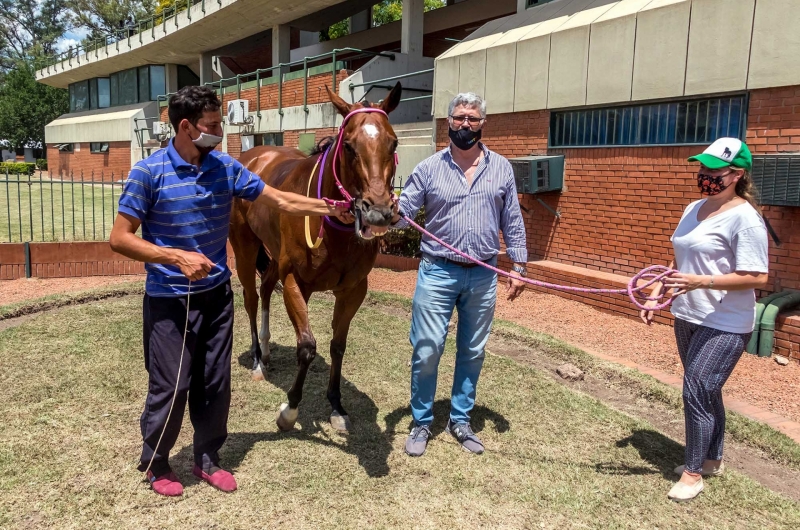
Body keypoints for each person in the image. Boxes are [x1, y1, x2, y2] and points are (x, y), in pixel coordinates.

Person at [109, 85, 350, 496]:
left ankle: (207, 457)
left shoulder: (224, 167)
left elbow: (278, 198)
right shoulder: (147, 173)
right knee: (173, 385)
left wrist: (331, 208)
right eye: (213, 125)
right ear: (186, 126)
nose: (220, 131)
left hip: (217, 296)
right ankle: (157, 462)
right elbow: (119, 238)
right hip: (171, 299)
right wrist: (175, 257)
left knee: (215, 382)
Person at [391, 92, 528, 457]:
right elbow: (402, 210)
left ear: (483, 124)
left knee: (472, 350)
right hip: (437, 271)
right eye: (459, 117)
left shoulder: (501, 168)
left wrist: (519, 264)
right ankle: (421, 422)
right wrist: (383, 211)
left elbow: (512, 219)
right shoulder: (429, 168)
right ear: (447, 121)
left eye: (472, 118)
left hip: (483, 276)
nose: (465, 124)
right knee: (426, 349)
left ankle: (460, 419)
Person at [640, 137, 769, 502]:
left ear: (737, 174)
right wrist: (656, 293)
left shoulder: (746, 219)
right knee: (707, 390)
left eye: (715, 171)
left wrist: (702, 281)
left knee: (696, 388)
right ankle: (712, 458)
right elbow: (679, 258)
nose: (705, 175)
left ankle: (693, 473)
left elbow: (757, 276)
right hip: (687, 313)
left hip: (727, 321)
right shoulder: (693, 207)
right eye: (703, 168)